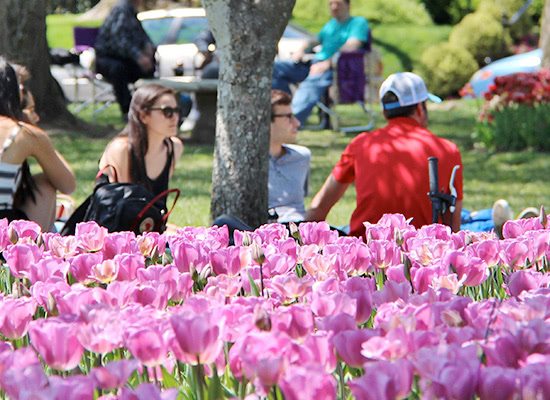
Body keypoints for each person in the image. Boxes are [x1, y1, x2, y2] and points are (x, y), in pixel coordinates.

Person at [306, 72, 464, 239]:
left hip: (366, 252)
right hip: (423, 254)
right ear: (419, 108)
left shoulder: (361, 144)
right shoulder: (447, 149)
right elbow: (453, 223)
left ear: (384, 111)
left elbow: (318, 208)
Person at [213, 90, 311, 237]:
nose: (296, 123)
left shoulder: (302, 157)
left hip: (298, 230)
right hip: (265, 233)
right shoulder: (247, 161)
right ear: (266, 121)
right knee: (224, 223)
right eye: (288, 117)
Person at [0, 57, 76, 231]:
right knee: (45, 185)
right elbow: (67, 184)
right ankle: (39, 254)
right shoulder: (21, 133)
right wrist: (35, 132)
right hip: (3, 235)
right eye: (19, 86)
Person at [272, 0, 370, 125]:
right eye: (331, 4)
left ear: (348, 5)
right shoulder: (331, 24)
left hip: (336, 68)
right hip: (313, 62)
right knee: (276, 68)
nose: (334, 7)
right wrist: (301, 50)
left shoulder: (358, 23)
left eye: (338, 4)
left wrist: (328, 63)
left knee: (310, 83)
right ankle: (281, 109)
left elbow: (353, 45)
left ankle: (290, 122)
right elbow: (315, 40)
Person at [98, 84, 184, 204]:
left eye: (177, 111)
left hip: (149, 222)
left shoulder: (174, 147)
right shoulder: (121, 149)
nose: (175, 118)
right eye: (167, 111)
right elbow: (127, 207)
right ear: (143, 116)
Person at [94, 0, 155, 120]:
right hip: (108, 58)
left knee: (148, 70)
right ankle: (127, 110)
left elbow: (141, 35)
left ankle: (147, 107)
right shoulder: (122, 9)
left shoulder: (132, 12)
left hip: (126, 58)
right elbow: (119, 39)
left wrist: (148, 46)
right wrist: (139, 56)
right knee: (118, 70)